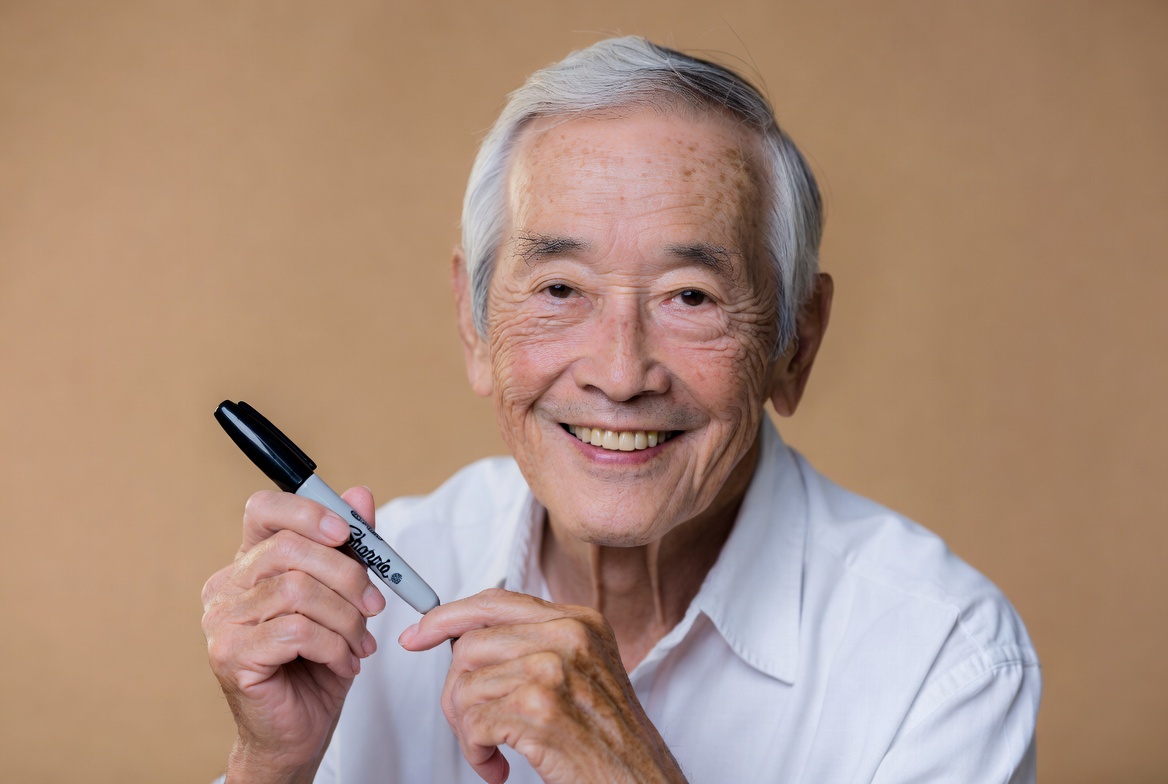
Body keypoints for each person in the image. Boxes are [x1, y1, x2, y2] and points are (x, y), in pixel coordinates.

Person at [201, 36, 1040, 783]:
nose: (620, 371)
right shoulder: (366, 604)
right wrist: (272, 765)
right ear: (473, 321)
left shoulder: (944, 659)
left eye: (690, 296)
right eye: (562, 289)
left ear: (797, 342)